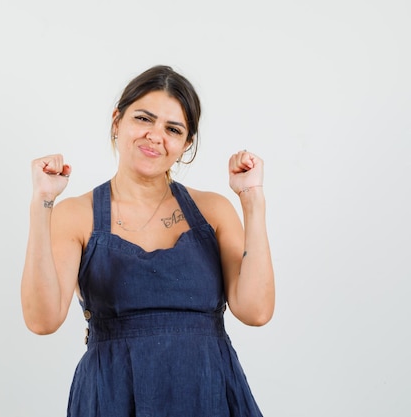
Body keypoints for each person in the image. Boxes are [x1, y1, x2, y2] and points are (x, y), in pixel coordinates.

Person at [21, 65, 275, 416]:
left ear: (186, 144)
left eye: (173, 129)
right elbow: (42, 320)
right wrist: (42, 203)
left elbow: (256, 311)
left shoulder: (213, 211)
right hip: (113, 395)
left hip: (209, 394)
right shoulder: (76, 215)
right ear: (116, 122)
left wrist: (252, 200)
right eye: (144, 119)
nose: (155, 136)